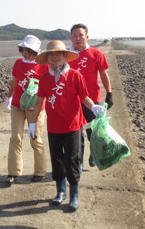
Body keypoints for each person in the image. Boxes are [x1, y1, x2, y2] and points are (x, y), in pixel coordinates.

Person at [27, 40, 96, 211]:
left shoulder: (75, 75)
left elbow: (84, 98)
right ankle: (60, 192)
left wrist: (94, 107)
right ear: (47, 57)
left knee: (71, 160)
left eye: (58, 53)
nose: (55, 56)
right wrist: (33, 123)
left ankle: (74, 195)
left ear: (65, 55)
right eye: (51, 54)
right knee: (57, 160)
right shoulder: (44, 78)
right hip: (54, 127)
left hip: (73, 126)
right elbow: (38, 101)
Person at [4, 35, 47, 185]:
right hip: (17, 106)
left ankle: (40, 171)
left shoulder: (43, 65)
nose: (23, 52)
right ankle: (13, 172)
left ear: (33, 51)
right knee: (15, 137)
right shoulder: (18, 63)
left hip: (35, 107)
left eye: (25, 49)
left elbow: (47, 85)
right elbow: (14, 81)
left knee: (36, 139)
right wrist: (9, 97)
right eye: (22, 49)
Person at [69, 24, 113, 168]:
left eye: (81, 35)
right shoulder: (67, 56)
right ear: (71, 38)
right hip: (72, 99)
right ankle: (78, 160)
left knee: (93, 130)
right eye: (74, 36)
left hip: (92, 99)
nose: (78, 38)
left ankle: (94, 153)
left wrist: (109, 93)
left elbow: (103, 74)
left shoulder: (96, 54)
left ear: (87, 37)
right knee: (76, 132)